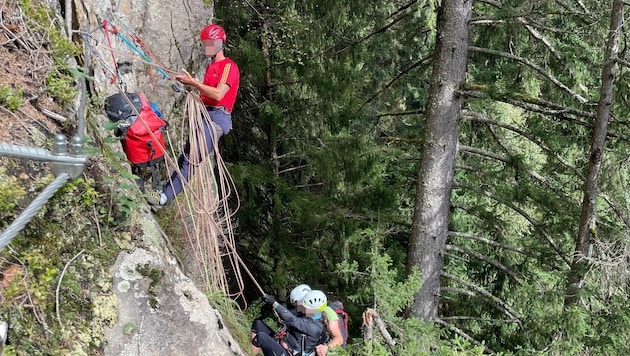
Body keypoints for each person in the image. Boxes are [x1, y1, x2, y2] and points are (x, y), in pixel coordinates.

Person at [147, 23, 240, 208]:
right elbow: (206, 95)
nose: (207, 46)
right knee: (186, 156)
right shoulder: (210, 67)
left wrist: (193, 83)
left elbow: (218, 94)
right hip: (206, 115)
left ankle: (164, 197)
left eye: (211, 43)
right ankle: (163, 193)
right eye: (205, 43)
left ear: (221, 43)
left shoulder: (228, 66)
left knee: (192, 158)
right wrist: (188, 88)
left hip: (217, 119)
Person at [250, 290, 329, 356]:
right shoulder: (307, 316)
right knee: (258, 325)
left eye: (307, 307)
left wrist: (274, 303)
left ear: (315, 310)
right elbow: (289, 314)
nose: (304, 308)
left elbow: (292, 320)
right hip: (282, 345)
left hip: (289, 354)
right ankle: (249, 352)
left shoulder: (315, 328)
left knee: (261, 337)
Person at [289, 284, 344, 355]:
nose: (297, 308)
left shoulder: (328, 312)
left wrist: (326, 348)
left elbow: (339, 338)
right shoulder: (305, 313)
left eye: (298, 304)